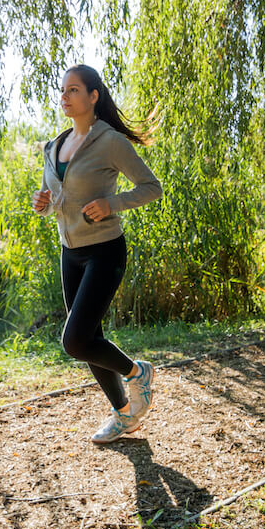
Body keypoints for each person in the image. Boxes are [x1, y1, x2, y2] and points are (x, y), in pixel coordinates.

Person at [31, 64, 163, 444]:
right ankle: (124, 415)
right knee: (90, 338)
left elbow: (151, 187)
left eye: (73, 89)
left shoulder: (109, 141)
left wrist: (110, 204)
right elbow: (57, 201)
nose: (65, 96)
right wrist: (44, 204)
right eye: (63, 90)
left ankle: (137, 373)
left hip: (105, 250)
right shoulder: (54, 146)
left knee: (75, 341)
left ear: (93, 96)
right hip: (70, 252)